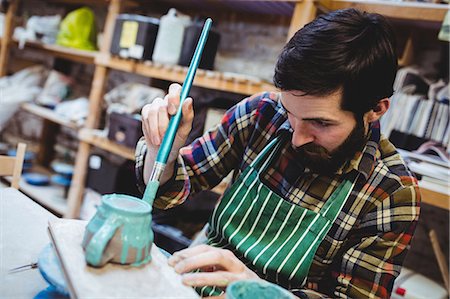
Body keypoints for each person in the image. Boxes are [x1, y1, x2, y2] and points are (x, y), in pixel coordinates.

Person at [136, 8, 420, 298]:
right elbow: (167, 192)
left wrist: (256, 289)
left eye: (320, 123)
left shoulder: (391, 192)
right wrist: (163, 154)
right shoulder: (261, 114)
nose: (296, 138)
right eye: (290, 113)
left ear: (375, 109)